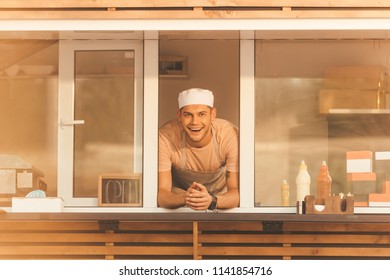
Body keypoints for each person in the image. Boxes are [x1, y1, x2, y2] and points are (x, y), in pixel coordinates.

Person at [158, 88, 239, 211]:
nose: (195, 122)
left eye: (202, 114)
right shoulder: (166, 136)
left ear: (212, 115)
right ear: (179, 116)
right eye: (188, 115)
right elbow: (162, 195)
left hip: (221, 200)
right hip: (180, 201)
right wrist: (188, 198)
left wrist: (211, 200)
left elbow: (236, 193)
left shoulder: (229, 135)